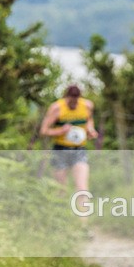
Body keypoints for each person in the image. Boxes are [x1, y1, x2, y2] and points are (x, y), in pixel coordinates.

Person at [40, 85, 98, 224]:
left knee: (82, 188)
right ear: (66, 98)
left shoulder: (87, 105)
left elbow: (89, 120)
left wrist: (90, 130)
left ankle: (83, 225)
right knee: (61, 190)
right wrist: (59, 131)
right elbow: (44, 131)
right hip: (60, 151)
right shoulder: (56, 108)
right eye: (71, 101)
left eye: (76, 101)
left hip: (79, 150)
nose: (73, 104)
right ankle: (61, 223)